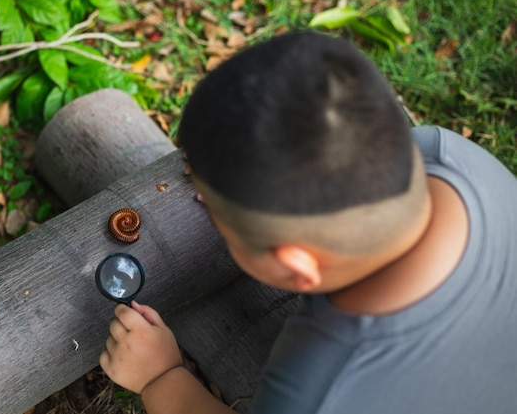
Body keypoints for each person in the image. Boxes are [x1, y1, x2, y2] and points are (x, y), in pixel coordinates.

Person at [99, 31, 517, 414]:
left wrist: (161, 378)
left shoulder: (319, 390)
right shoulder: (443, 152)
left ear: (296, 268)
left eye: (222, 222)